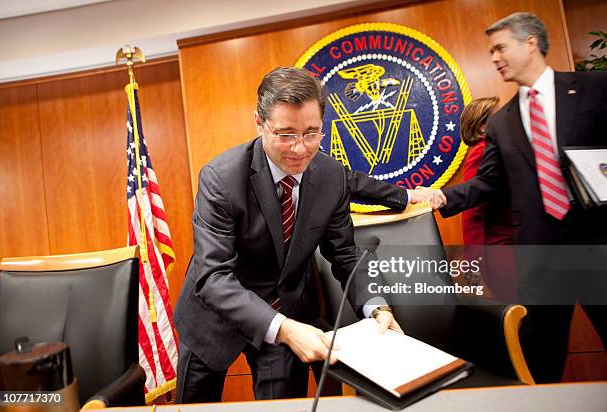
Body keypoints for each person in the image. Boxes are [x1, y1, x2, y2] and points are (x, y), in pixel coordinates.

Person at [174, 67, 434, 403]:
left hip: (286, 312)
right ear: (258, 122)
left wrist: (375, 307)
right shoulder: (221, 179)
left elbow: (346, 255)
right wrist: (282, 326)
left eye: (312, 133)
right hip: (213, 316)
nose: (299, 148)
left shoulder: (330, 176)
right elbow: (212, 276)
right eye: (285, 134)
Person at [428, 12, 607, 383]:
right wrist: (442, 197)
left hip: (598, 247)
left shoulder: (593, 87)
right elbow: (489, 182)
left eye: (500, 47)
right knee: (541, 359)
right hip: (540, 257)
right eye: (490, 50)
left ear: (530, 43)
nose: (494, 57)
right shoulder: (501, 121)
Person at [459, 97, 516, 300]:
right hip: (500, 252)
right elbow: (473, 210)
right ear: (481, 126)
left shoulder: (500, 149)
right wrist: (473, 261)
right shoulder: (482, 151)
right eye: (498, 116)